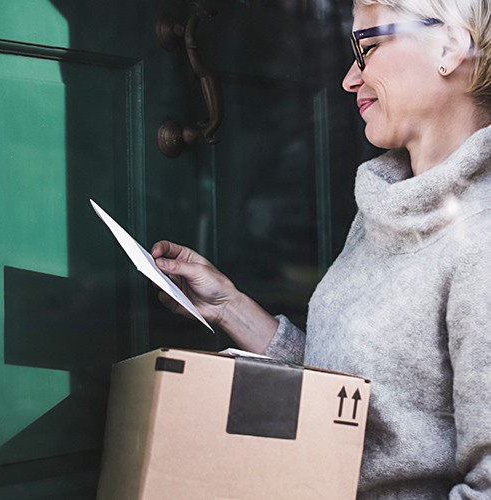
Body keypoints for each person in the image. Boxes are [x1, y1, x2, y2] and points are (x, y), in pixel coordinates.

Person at [152, 0, 491, 497]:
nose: (349, 80)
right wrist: (230, 307)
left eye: (366, 48)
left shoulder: (479, 238)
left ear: (451, 45)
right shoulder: (390, 199)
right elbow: (357, 393)